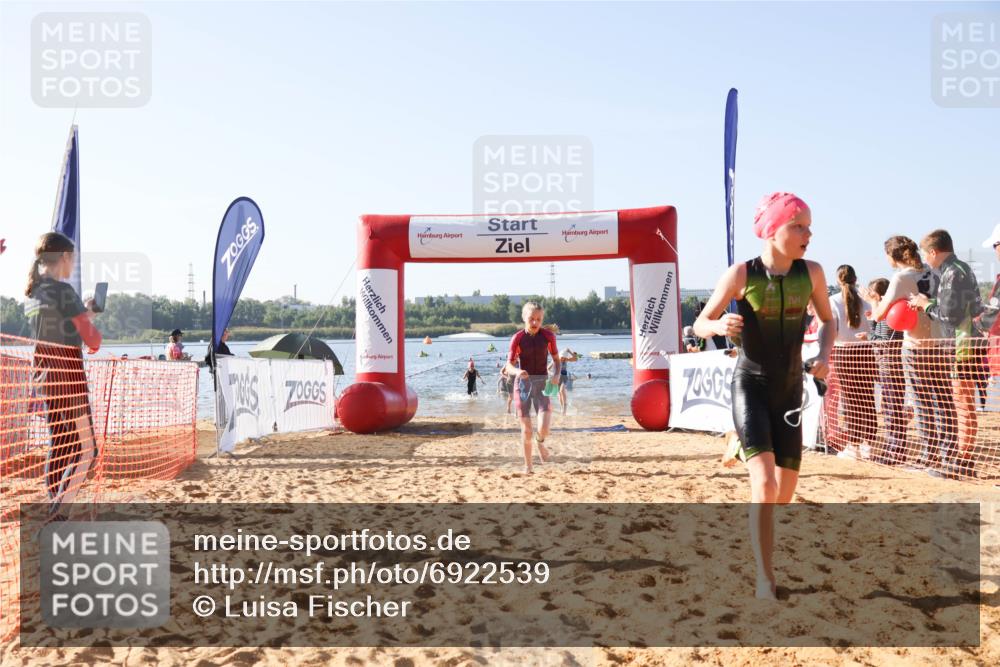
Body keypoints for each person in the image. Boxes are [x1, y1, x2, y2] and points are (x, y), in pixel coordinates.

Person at [694, 192, 834, 601]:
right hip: (750, 386)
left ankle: (742, 445)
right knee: (766, 486)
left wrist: (824, 355)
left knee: (784, 493)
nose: (809, 233)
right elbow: (701, 321)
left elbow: (828, 320)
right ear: (773, 230)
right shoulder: (741, 274)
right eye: (799, 226)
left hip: (790, 390)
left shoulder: (812, 273)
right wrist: (719, 326)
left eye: (808, 225)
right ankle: (764, 579)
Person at [24, 232, 102, 518]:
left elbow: (61, 329)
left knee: (60, 446)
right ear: (64, 257)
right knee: (86, 451)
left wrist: (85, 312)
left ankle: (54, 506)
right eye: (74, 259)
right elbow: (92, 341)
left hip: (45, 378)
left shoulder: (34, 291)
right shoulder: (63, 290)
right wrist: (89, 323)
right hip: (68, 380)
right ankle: (58, 514)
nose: (74, 266)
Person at [909, 229, 984, 478]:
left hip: (961, 344)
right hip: (963, 341)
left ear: (933, 252)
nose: (925, 260)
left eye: (926, 254)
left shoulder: (952, 273)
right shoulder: (959, 268)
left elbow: (949, 316)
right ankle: (962, 458)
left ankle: (963, 460)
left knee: (962, 400)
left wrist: (925, 305)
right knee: (961, 400)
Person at [826, 265, 876, 459]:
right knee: (867, 398)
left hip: (843, 352)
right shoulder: (867, 300)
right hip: (865, 351)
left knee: (850, 400)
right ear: (856, 279)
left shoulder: (833, 301)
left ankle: (854, 444)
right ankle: (868, 444)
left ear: (838, 281)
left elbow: (832, 329)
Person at [505, 302, 560, 473]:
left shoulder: (548, 336)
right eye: (531, 319)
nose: (535, 323)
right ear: (524, 319)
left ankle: (540, 442)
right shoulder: (518, 338)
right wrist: (518, 370)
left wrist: (556, 375)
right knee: (527, 429)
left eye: (538, 319)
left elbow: (557, 361)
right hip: (523, 385)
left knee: (544, 428)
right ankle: (528, 466)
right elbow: (508, 366)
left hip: (544, 383)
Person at [860, 278, 907, 464]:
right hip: (884, 368)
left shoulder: (890, 315)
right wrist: (872, 321)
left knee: (893, 411)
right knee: (888, 410)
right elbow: (878, 336)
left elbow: (883, 341)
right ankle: (891, 449)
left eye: (871, 293)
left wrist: (868, 335)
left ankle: (895, 451)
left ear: (878, 295)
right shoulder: (883, 314)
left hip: (891, 368)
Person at [558, 347, 578, 414]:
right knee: (559, 394)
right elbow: (548, 368)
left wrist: (570, 352)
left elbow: (575, 359)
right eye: (562, 357)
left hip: (564, 377)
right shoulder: (556, 360)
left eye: (563, 357)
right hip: (557, 378)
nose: (563, 359)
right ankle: (562, 407)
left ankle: (564, 407)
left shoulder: (566, 360)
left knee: (561, 390)